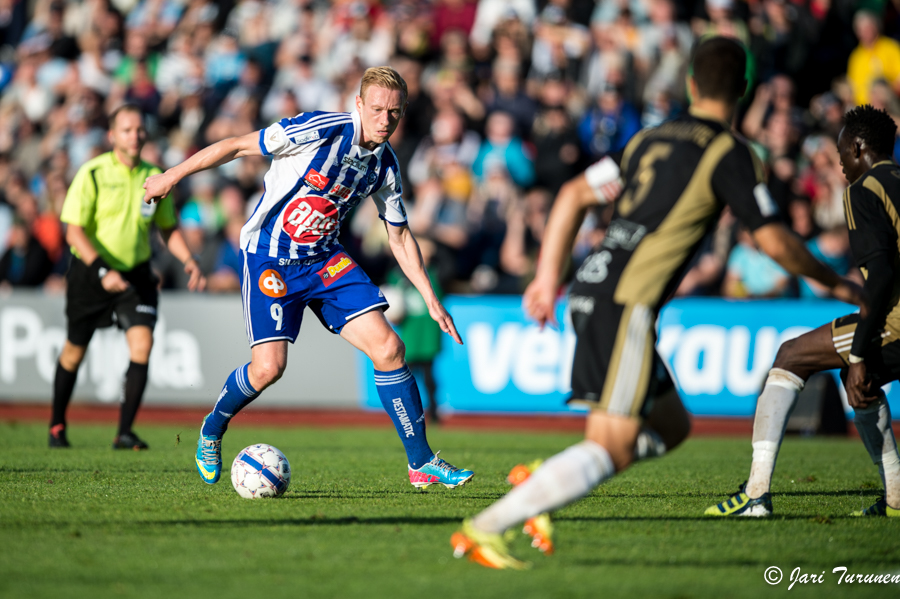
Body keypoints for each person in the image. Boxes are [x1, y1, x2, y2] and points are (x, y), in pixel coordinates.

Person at [449, 37, 866, 569]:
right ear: (742, 90)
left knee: (672, 427)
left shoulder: (647, 139)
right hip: (626, 303)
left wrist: (546, 276)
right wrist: (831, 281)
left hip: (595, 288)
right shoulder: (729, 152)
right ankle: (486, 528)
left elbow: (574, 193)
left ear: (691, 83)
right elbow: (773, 238)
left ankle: (545, 481)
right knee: (612, 447)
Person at [142, 66, 474, 490]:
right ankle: (212, 428)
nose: (384, 119)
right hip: (270, 258)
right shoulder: (319, 129)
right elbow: (238, 146)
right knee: (268, 369)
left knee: (390, 348)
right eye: (376, 109)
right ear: (358, 105)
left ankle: (421, 463)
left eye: (394, 111)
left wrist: (429, 297)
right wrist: (171, 177)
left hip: (325, 261)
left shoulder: (386, 166)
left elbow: (400, 234)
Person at [707, 105, 900, 518]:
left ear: (859, 148)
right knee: (856, 380)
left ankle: (756, 496)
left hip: (897, 320)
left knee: (790, 356)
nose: (841, 162)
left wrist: (862, 351)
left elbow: (881, 274)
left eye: (842, 150)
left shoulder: (864, 188)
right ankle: (896, 499)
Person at [49, 104, 205, 450]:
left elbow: (168, 227)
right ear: (112, 136)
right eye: (126, 130)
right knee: (74, 351)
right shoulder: (92, 173)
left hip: (136, 274)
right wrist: (103, 271)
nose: (134, 136)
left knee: (142, 345)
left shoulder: (156, 175)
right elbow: (73, 232)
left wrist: (188, 259)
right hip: (92, 273)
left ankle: (124, 432)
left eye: (139, 129)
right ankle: (57, 424)